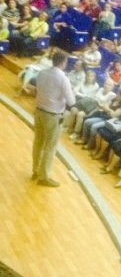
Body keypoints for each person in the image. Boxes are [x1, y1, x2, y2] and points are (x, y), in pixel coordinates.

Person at [32, 50, 76, 186]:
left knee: (38, 142)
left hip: (39, 111)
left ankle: (35, 171)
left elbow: (38, 89)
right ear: (63, 62)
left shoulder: (42, 72)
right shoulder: (63, 78)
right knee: (50, 147)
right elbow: (71, 101)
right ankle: (44, 177)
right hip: (53, 115)